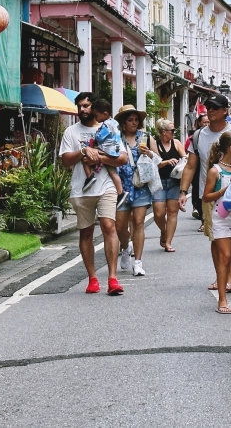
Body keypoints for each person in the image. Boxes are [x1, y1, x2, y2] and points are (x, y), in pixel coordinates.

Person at [59, 92, 129, 295]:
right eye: (79, 106)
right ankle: (92, 278)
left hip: (105, 185)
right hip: (82, 188)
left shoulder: (108, 126)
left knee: (109, 226)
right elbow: (65, 161)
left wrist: (99, 157)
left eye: (86, 106)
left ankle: (113, 278)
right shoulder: (71, 132)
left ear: (94, 107)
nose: (83, 110)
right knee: (86, 232)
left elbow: (122, 158)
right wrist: (82, 152)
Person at [179, 95, 231, 290]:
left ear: (226, 110)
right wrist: (183, 191)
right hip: (208, 196)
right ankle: (221, 277)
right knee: (215, 238)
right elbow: (191, 166)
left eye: (215, 107)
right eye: (208, 107)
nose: (210, 110)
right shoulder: (198, 136)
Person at [201, 133, 231, 314]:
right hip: (221, 216)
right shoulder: (215, 171)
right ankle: (222, 299)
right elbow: (206, 197)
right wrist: (221, 192)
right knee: (225, 257)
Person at [116, 105, 153, 277]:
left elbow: (157, 159)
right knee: (120, 226)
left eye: (136, 120)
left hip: (140, 186)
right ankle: (125, 247)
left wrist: (149, 154)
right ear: (123, 123)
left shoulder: (144, 138)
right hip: (121, 187)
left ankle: (138, 262)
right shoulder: (116, 139)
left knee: (139, 222)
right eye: (130, 120)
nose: (134, 123)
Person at [150, 118, 185, 252]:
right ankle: (164, 231)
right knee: (158, 213)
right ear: (164, 132)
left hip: (174, 181)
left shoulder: (176, 143)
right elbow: (153, 164)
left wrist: (183, 160)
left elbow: (185, 157)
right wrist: (166, 162)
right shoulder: (155, 144)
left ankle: (168, 242)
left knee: (172, 212)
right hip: (158, 182)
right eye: (172, 130)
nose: (174, 133)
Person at [86, 99, 126, 203]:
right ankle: (121, 192)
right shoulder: (115, 122)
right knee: (112, 172)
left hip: (108, 149)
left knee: (86, 158)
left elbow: (100, 137)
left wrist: (97, 134)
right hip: (115, 149)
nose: (95, 118)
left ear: (105, 114)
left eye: (96, 115)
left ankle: (89, 177)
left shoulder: (106, 124)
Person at [186, 113, 210, 221]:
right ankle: (197, 208)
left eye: (207, 122)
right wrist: (183, 191)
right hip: (197, 166)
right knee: (197, 187)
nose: (206, 124)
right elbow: (187, 153)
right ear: (199, 123)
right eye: (204, 122)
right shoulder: (195, 137)